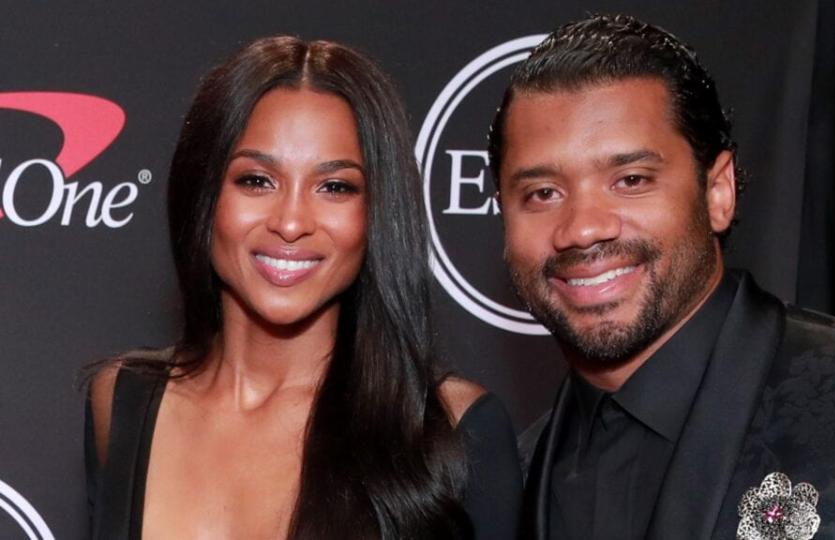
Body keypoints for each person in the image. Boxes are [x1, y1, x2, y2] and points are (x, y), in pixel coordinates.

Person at [488, 14, 835, 540]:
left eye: (631, 180)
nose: (582, 228)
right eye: (543, 194)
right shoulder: (511, 479)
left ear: (718, 193)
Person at [85, 36, 521, 539]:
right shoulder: (121, 401)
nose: (291, 222)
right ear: (203, 192)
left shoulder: (453, 432)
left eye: (334, 187)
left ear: (376, 213)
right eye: (256, 180)